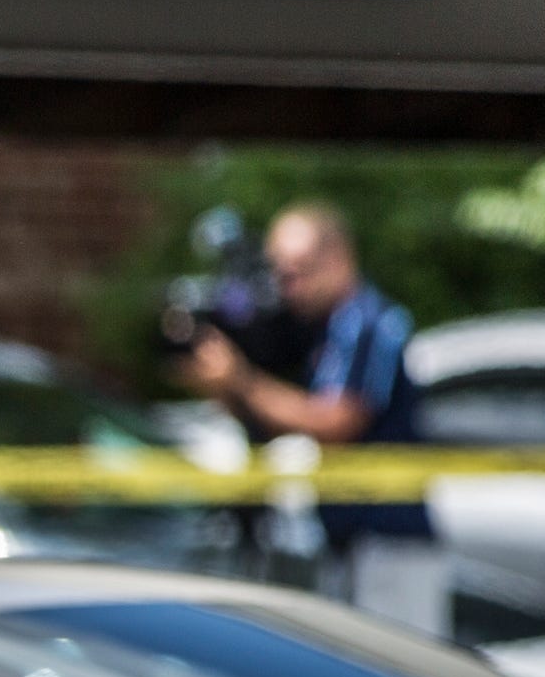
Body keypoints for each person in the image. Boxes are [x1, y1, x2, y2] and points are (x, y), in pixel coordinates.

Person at [176, 202, 442, 629]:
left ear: (338, 258)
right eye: (280, 274)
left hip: (389, 541)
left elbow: (338, 422)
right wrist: (225, 388)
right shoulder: (320, 330)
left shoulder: (369, 323)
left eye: (298, 272)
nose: (288, 287)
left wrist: (242, 379)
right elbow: (276, 421)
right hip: (342, 538)